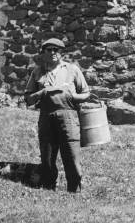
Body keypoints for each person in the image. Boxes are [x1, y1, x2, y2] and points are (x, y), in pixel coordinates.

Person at [24, 38, 91, 193]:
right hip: (46, 117)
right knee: (47, 156)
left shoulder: (72, 69)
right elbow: (28, 99)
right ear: (44, 52)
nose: (53, 52)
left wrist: (72, 96)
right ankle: (48, 188)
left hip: (68, 117)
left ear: (61, 53)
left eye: (57, 50)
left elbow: (86, 94)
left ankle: (74, 190)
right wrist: (43, 92)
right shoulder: (38, 71)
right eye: (49, 50)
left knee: (71, 156)